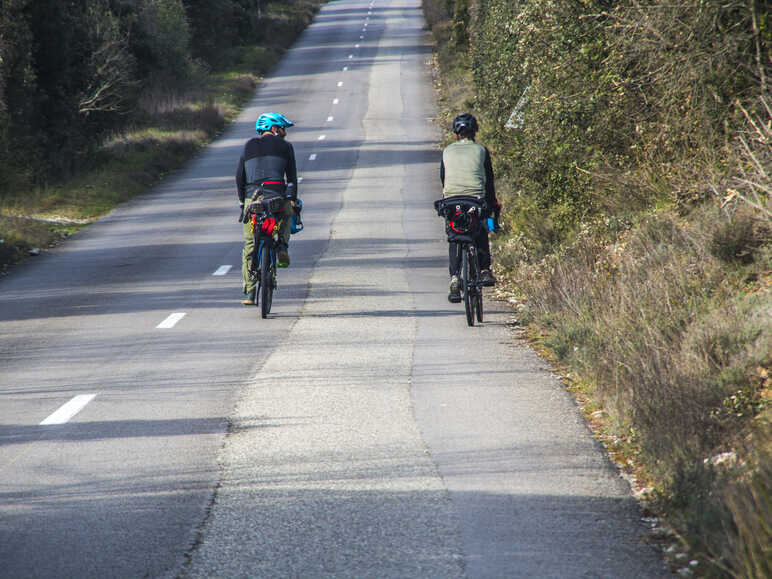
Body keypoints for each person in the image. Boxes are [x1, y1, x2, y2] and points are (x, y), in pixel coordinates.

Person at [236, 112, 298, 305]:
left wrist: (241, 202)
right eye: (282, 129)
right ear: (273, 128)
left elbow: (240, 177)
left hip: (251, 199)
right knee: (288, 214)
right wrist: (293, 200)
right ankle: (282, 246)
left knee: (249, 243)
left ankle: (250, 292)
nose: (284, 133)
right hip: (276, 196)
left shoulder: (248, 146)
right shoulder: (286, 147)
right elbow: (292, 178)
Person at [440, 112, 500, 302]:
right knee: (482, 228)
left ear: (455, 133)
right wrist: (493, 206)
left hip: (451, 201)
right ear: (475, 132)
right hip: (476, 199)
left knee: (453, 235)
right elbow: (489, 181)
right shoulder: (481, 150)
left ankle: (455, 277)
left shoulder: (447, 151)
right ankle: (484, 270)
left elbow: (444, 179)